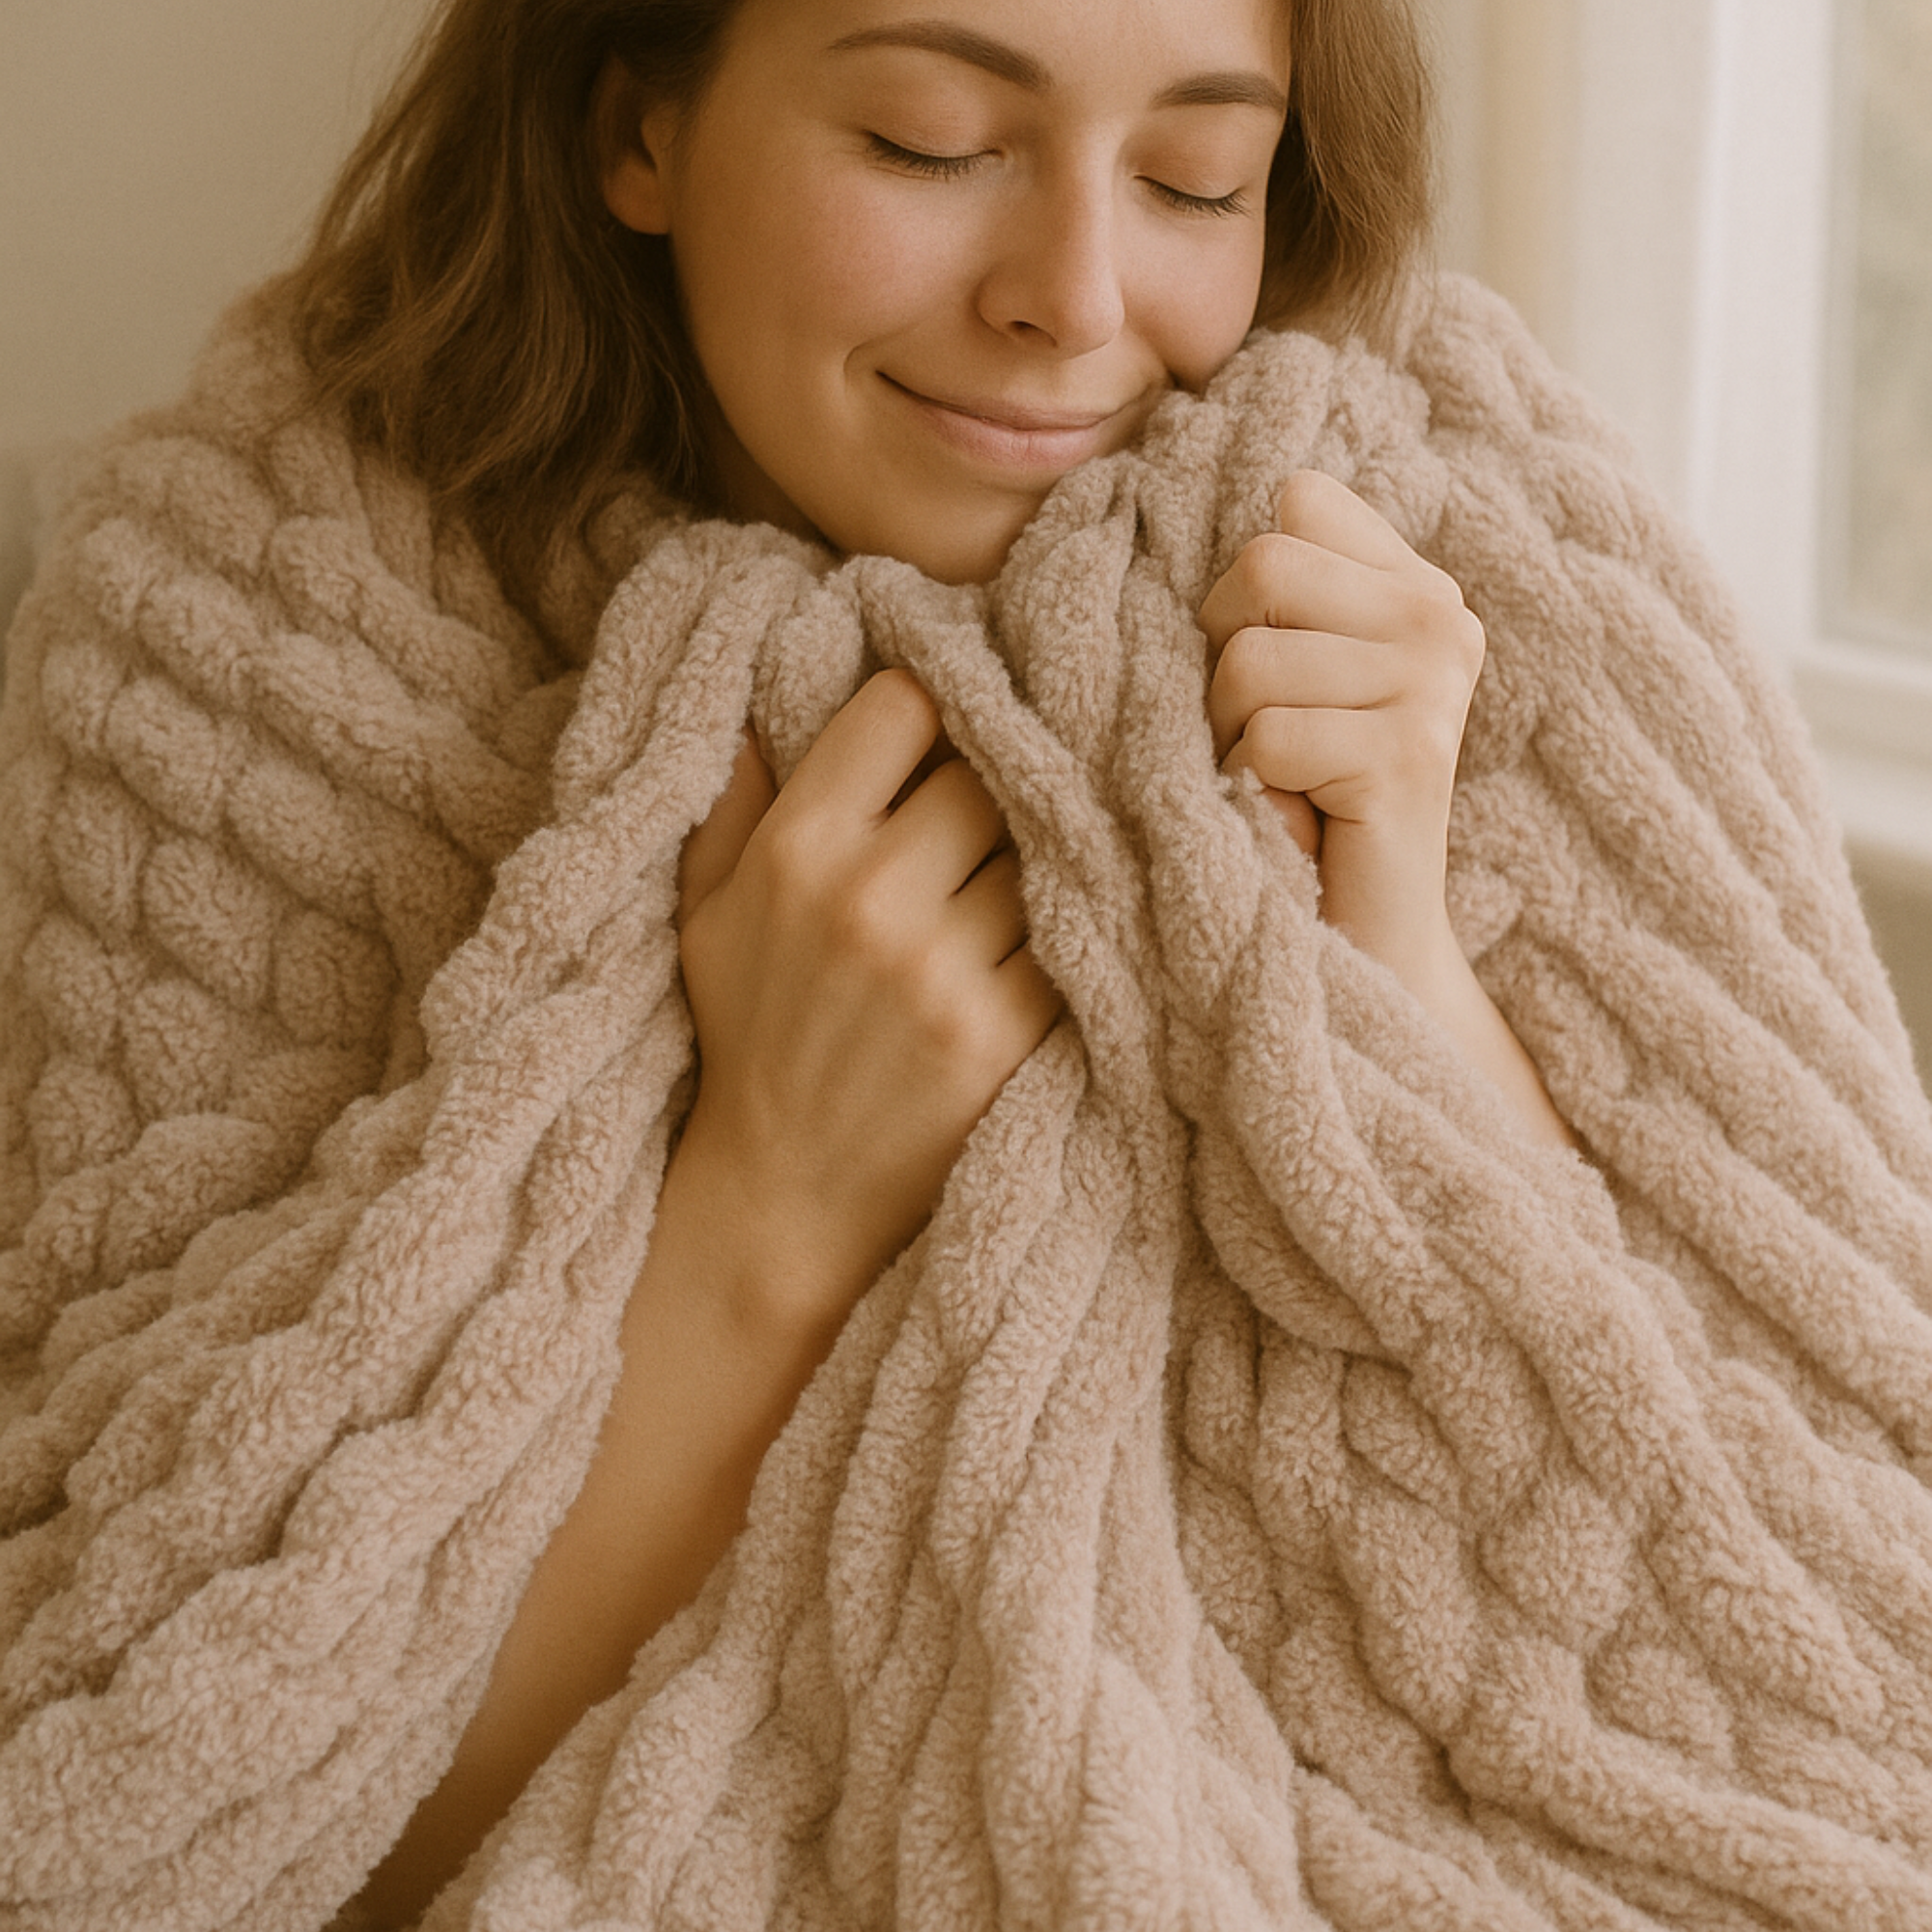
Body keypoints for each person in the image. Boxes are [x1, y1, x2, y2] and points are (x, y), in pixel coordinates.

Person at [6, 2, 1931, 1929]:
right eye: (931, 143)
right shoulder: (228, 645)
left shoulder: (1468, 539)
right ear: (635, 126)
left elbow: (1818, 1621)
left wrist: (1390, 954)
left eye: (1194, 176)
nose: (1075, 298)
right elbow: (176, 1817)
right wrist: (769, 1206)